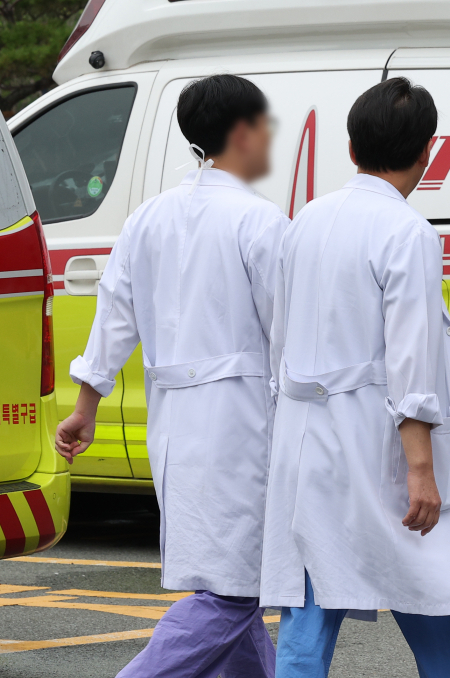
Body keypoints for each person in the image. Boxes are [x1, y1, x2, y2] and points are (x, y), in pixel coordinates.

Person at [260, 77, 450, 678]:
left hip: (306, 441)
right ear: (429, 150)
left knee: (311, 606)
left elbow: (280, 340)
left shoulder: (304, 222)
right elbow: (411, 359)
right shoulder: (408, 232)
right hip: (378, 444)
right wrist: (421, 471)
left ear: (351, 149)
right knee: (438, 592)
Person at [55, 74, 288, 678]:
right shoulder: (260, 223)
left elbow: (113, 317)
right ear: (241, 133)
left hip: (174, 424)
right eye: (264, 125)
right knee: (236, 589)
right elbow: (290, 335)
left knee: (234, 580)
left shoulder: (147, 219)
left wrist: (87, 405)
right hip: (241, 424)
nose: (270, 137)